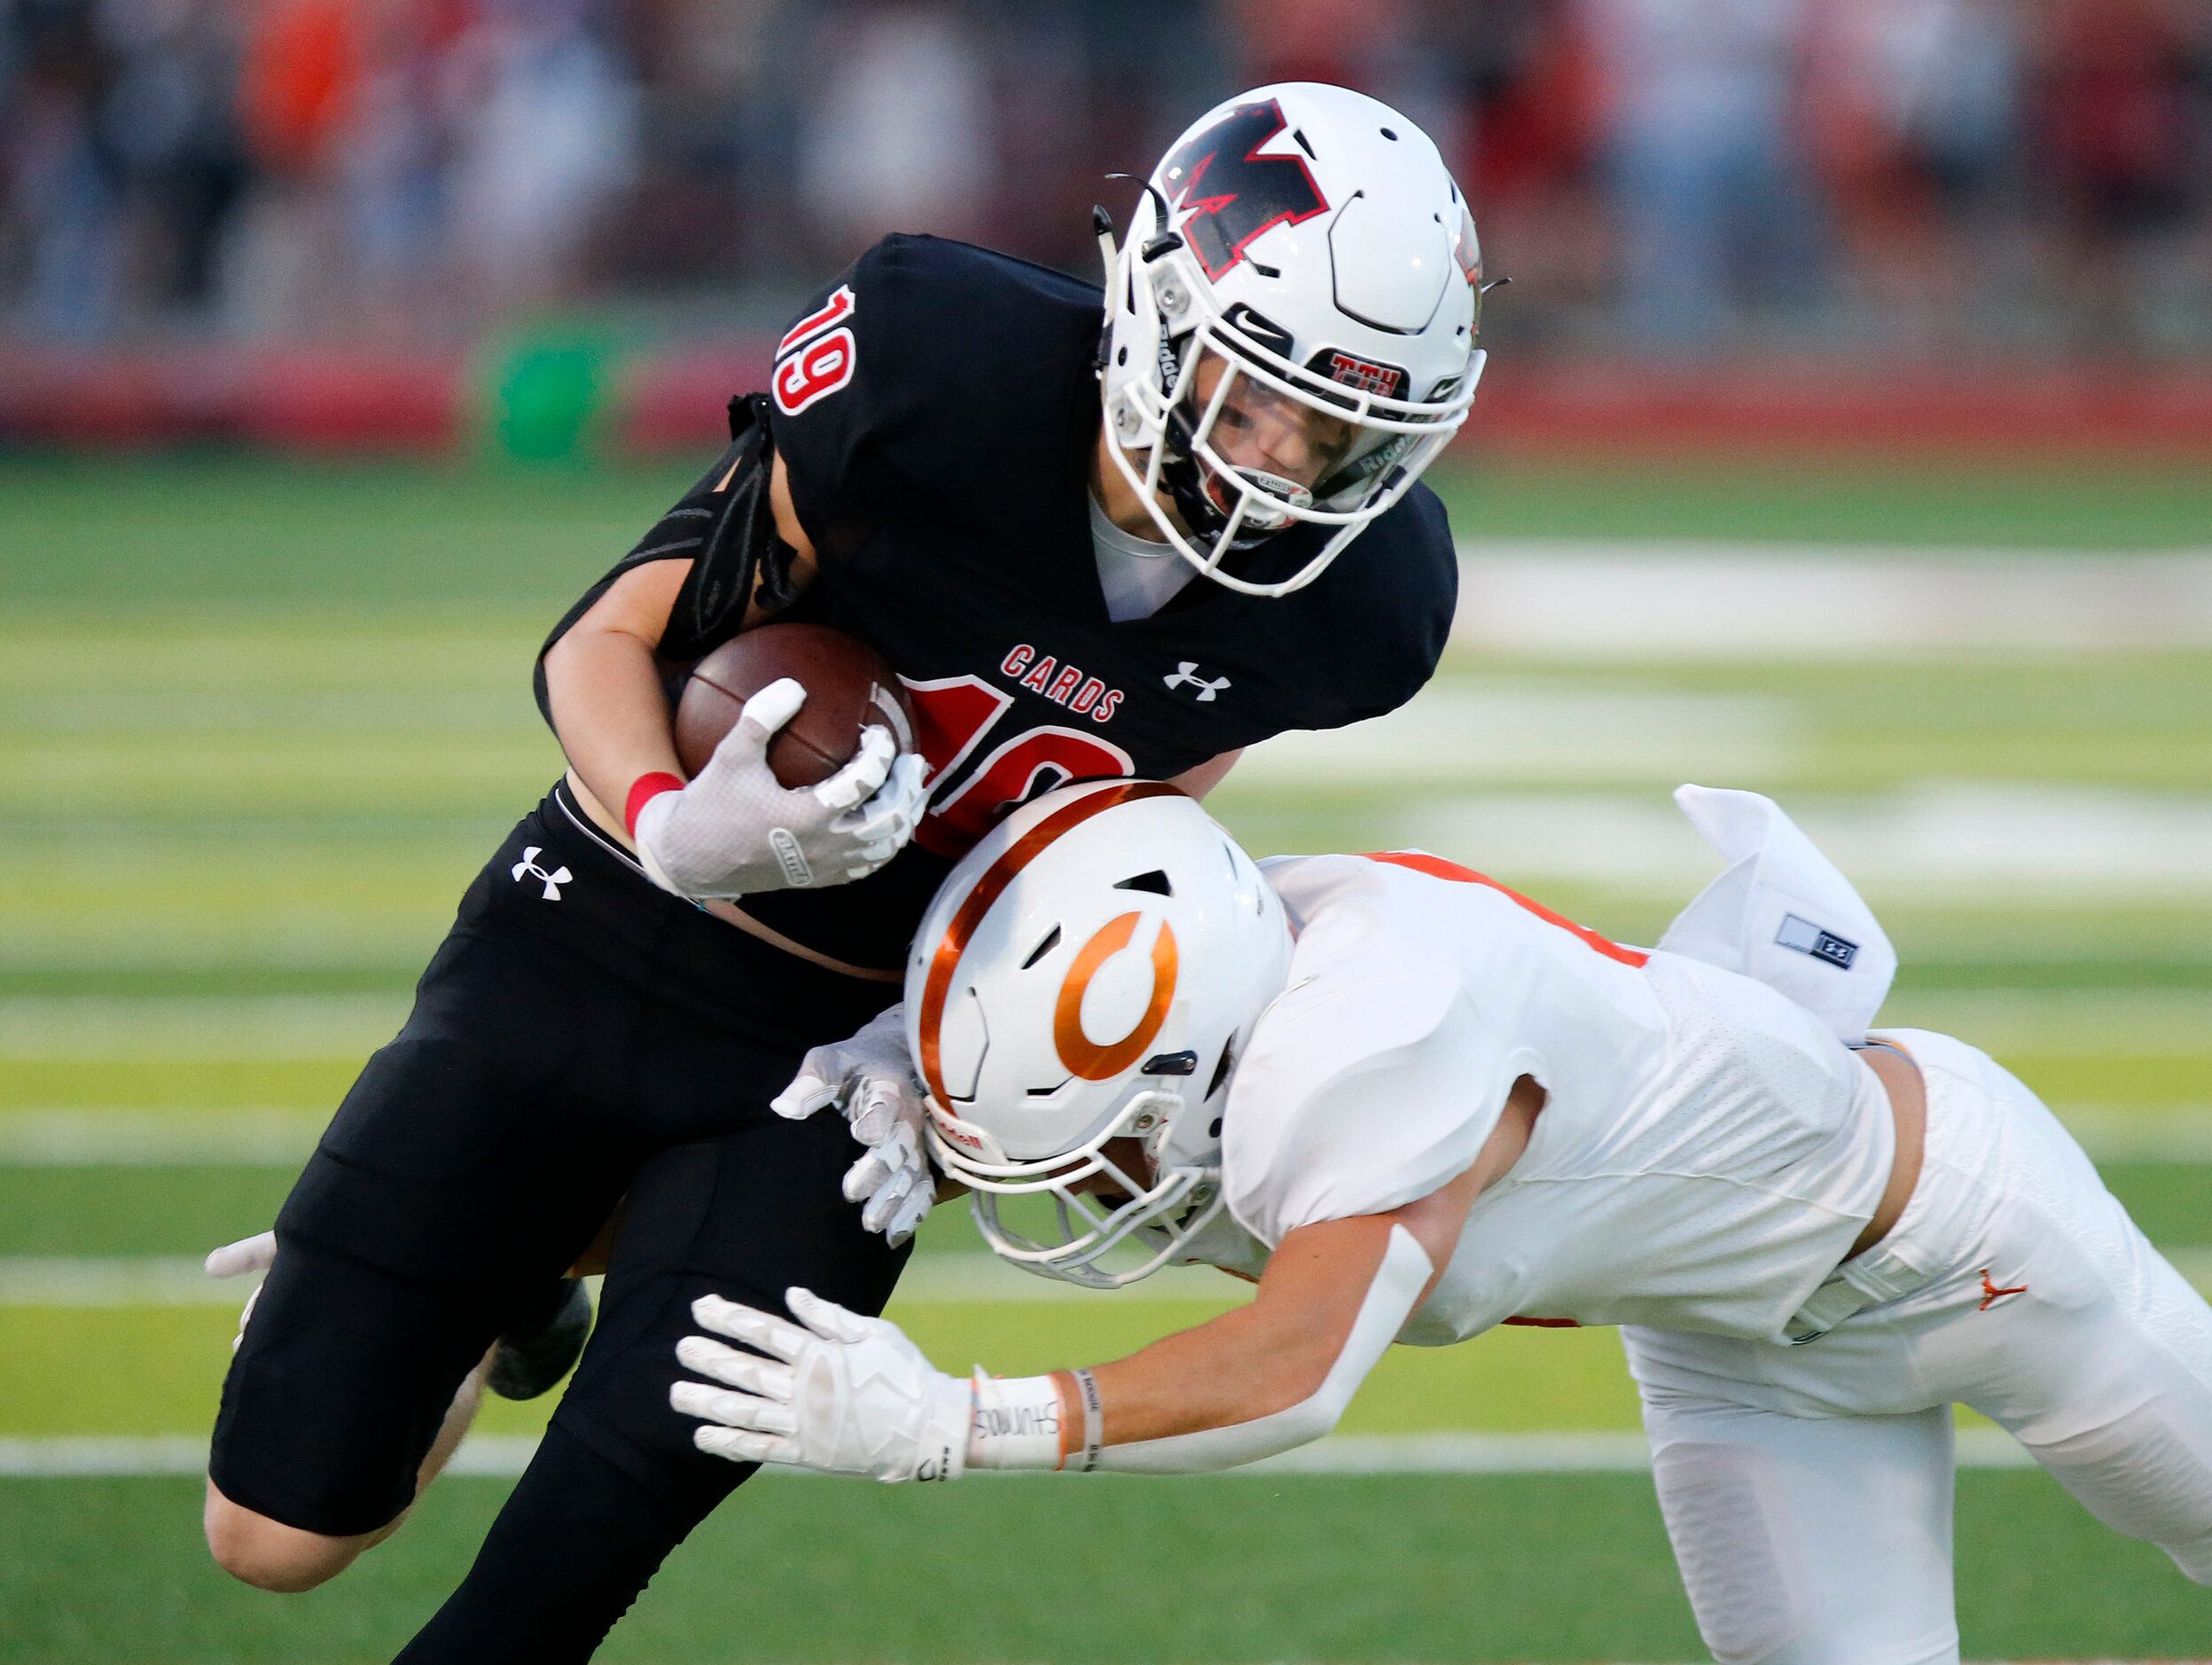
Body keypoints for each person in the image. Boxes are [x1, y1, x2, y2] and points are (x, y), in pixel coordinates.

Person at [199, 82, 1487, 1663]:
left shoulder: (1360, 606)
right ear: (1157, 307)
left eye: (1344, 432)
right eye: (1256, 398)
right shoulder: (936, 372)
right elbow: (608, 637)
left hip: (840, 1067)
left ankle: (512, 1251)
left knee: (570, 1561)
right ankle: (507, 1277)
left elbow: (1129, 802)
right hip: (611, 920)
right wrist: (677, 820)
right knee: (272, 1537)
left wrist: (937, 1040)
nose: (1286, 463)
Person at [674, 779, 2212, 1665]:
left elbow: (1296, 1370)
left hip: (1968, 1236)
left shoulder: (1373, 1028)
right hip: (1740, 1352)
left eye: (1106, 1147)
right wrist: (921, 1060)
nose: (1091, 1192)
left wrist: (962, 1418)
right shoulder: (1230, 962)